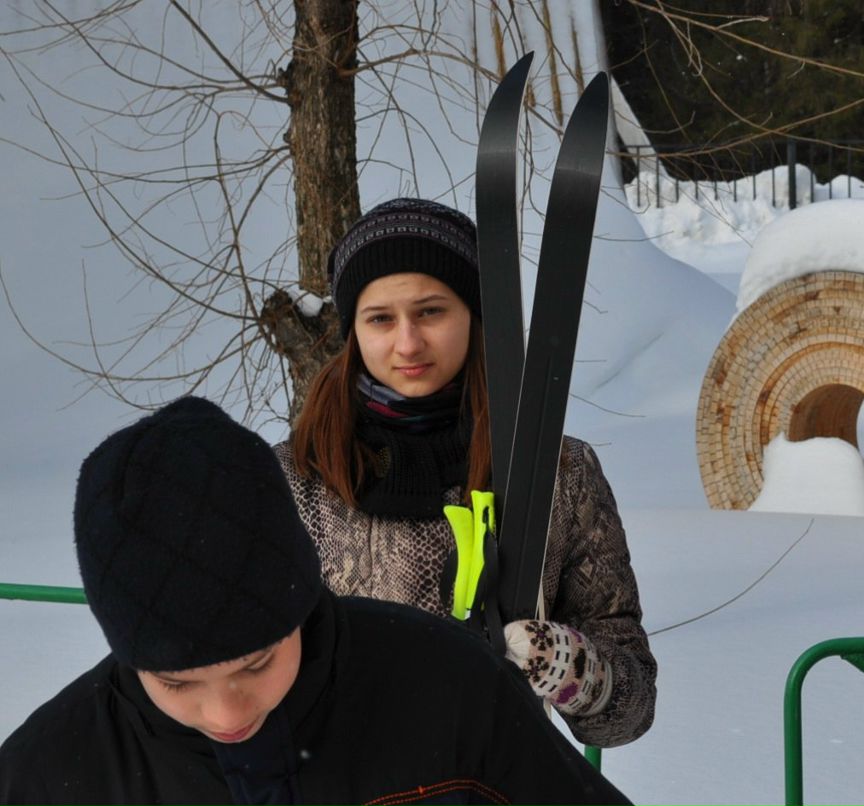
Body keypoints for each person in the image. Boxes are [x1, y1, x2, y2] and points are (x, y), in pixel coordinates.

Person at [0, 397, 633, 805]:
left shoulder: (449, 688)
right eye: (176, 682)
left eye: (255, 663)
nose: (225, 713)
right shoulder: (49, 776)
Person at [276, 198, 656, 747]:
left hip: (499, 776)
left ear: (475, 316)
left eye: (431, 311)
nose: (408, 342)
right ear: (353, 330)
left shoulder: (556, 473)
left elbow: (629, 712)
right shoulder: (291, 480)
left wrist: (573, 669)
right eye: (380, 318)